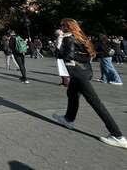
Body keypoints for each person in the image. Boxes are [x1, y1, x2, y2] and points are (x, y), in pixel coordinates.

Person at [53, 18, 127, 149]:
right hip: (86, 71)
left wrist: (59, 43)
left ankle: (118, 135)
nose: (60, 27)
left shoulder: (68, 38)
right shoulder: (82, 37)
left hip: (78, 74)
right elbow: (89, 55)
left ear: (67, 27)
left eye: (61, 25)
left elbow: (65, 56)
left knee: (96, 103)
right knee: (71, 93)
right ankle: (68, 119)